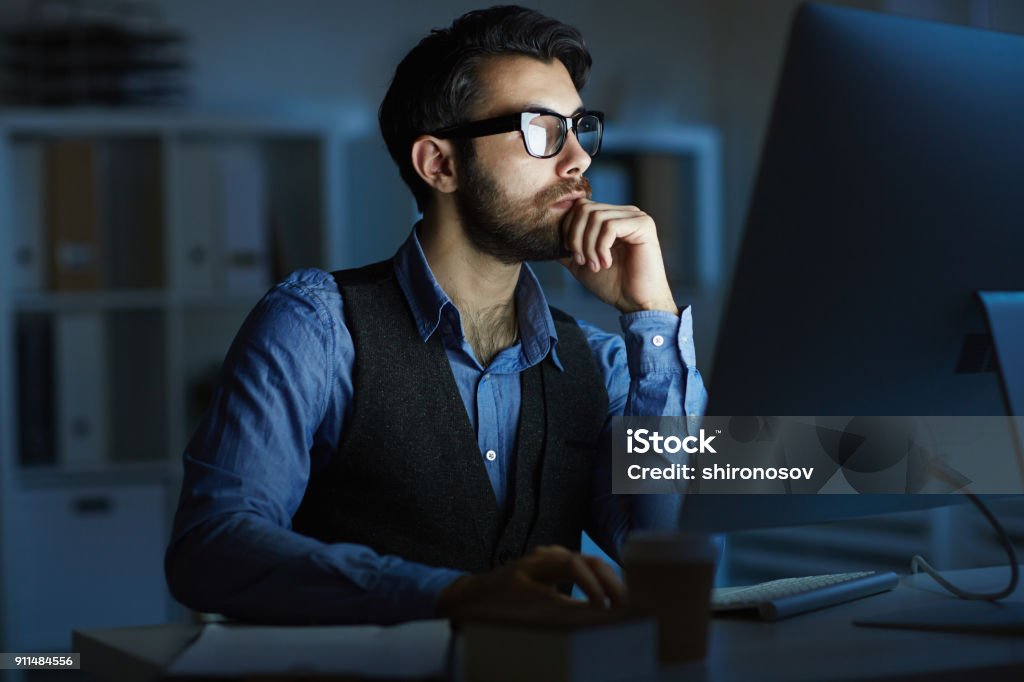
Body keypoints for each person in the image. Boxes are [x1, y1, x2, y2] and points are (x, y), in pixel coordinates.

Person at [165, 5, 706, 625]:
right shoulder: (315, 327)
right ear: (439, 164)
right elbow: (210, 548)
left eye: (580, 127)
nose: (579, 158)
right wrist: (447, 597)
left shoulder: (604, 361)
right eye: (541, 129)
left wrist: (653, 319)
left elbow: (677, 552)